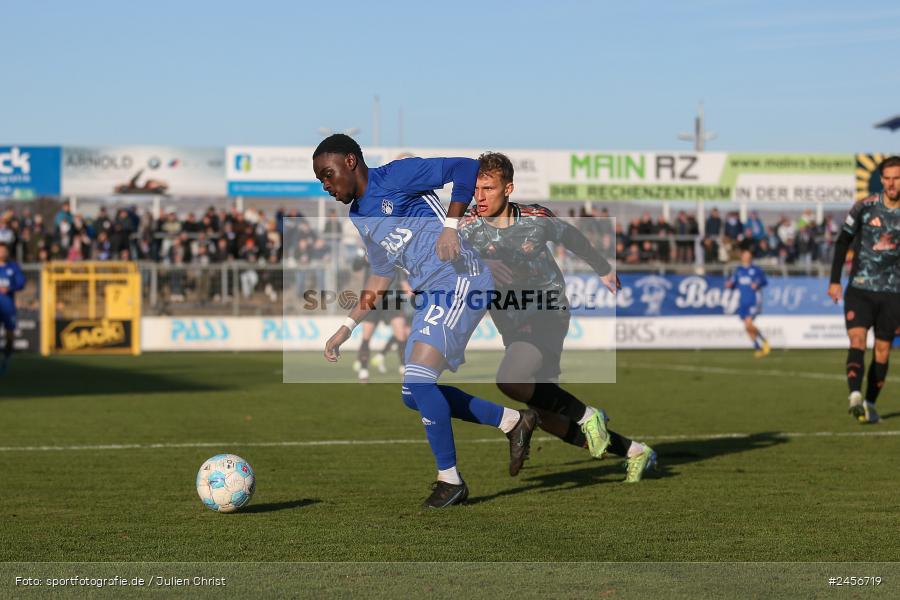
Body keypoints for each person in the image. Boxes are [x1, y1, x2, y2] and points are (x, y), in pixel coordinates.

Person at [312, 134, 539, 509]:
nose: (326, 185)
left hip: (460, 280)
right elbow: (381, 273)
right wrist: (347, 327)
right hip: (430, 294)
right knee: (412, 394)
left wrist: (451, 227)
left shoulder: (397, 175)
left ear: (351, 161)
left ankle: (450, 481)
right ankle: (513, 422)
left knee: (419, 380)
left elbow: (465, 167)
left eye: (328, 174)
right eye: (321, 179)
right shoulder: (359, 216)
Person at [459, 152, 657, 482]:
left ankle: (589, 414)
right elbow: (447, 259)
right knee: (547, 415)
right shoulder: (467, 226)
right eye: (476, 189)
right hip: (511, 322)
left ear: (508, 188)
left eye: (488, 189)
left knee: (511, 379)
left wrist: (603, 268)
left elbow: (573, 237)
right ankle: (636, 451)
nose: (479, 197)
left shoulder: (536, 218)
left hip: (547, 311)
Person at [828, 156, 900, 425]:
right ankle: (855, 396)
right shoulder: (864, 207)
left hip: (893, 293)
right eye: (888, 178)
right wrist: (834, 281)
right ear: (881, 180)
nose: (892, 183)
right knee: (857, 341)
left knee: (882, 352)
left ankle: (869, 403)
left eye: (897, 178)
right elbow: (841, 241)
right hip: (860, 289)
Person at [725, 246, 770, 357]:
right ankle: (758, 348)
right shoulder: (739, 271)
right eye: (745, 255)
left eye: (748, 256)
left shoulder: (756, 270)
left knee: (749, 323)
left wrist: (757, 284)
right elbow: (733, 283)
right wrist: (729, 285)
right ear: (742, 257)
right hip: (743, 301)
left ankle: (764, 341)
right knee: (746, 326)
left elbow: (764, 281)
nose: (746, 257)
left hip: (754, 300)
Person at [0, 243, 25, 374]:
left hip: (8, 307)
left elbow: (21, 283)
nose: (2, 253)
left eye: (4, 250)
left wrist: (10, 288)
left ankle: (6, 359)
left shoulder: (12, 267)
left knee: (10, 336)